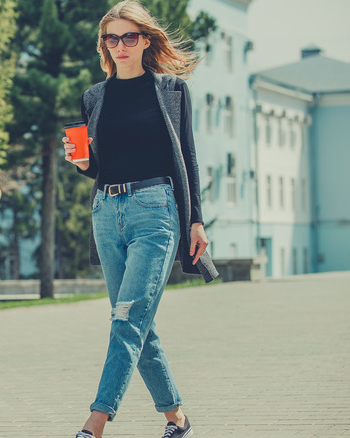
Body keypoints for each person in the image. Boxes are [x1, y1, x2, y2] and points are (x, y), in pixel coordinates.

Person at [62, 1, 219, 437]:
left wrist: (196, 221)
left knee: (127, 318)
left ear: (146, 40)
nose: (120, 45)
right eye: (112, 38)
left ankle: (95, 423)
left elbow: (188, 158)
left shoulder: (171, 89)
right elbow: (98, 166)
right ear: (104, 44)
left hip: (156, 210)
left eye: (129, 36)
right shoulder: (95, 96)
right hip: (106, 212)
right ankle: (177, 420)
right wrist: (81, 162)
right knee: (133, 321)